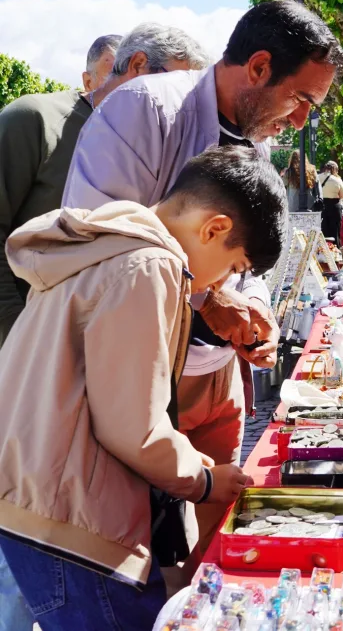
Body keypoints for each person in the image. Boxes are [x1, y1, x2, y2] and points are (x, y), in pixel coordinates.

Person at [62, 0, 343, 570]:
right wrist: (212, 299)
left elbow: (251, 257)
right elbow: (100, 248)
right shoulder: (144, 110)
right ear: (259, 67)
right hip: (142, 386)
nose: (300, 122)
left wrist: (255, 309)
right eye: (301, 100)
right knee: (139, 557)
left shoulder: (256, 139)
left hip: (217, 378)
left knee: (217, 551)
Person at [0, 145, 285, 630]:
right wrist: (204, 480)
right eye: (234, 268)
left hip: (39, 502)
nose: (222, 284)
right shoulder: (150, 266)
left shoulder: (109, 247)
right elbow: (131, 425)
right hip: (76, 526)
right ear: (214, 229)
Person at [0, 24, 209, 348]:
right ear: (138, 65)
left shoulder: (163, 146)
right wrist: (18, 336)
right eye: (173, 84)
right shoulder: (35, 119)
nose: (179, 101)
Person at [319, 160, 343, 242]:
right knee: (335, 232)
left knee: (323, 232)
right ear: (335, 170)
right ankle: (335, 248)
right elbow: (342, 195)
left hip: (321, 206)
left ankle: (323, 249)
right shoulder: (337, 180)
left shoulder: (318, 177)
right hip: (334, 206)